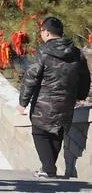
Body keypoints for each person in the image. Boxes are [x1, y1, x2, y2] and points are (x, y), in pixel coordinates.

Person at [18, 17, 90, 178]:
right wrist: (81, 95)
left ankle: (49, 169)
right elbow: (85, 77)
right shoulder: (77, 52)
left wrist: (23, 103)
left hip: (44, 103)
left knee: (40, 133)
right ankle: (48, 168)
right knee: (57, 133)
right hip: (66, 104)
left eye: (41, 31)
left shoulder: (43, 51)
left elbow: (31, 77)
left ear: (46, 32)